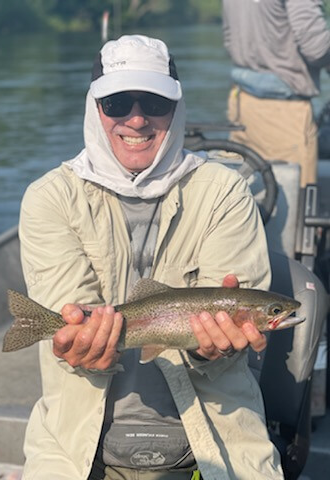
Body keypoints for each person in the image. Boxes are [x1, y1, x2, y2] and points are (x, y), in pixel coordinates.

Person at [19, 35, 283, 480]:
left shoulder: (225, 191)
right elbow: (70, 319)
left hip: (216, 440)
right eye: (118, 103)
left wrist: (210, 350)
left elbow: (229, 342)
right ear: (95, 107)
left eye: (155, 102)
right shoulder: (50, 198)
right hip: (75, 444)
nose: (137, 119)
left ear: (176, 108)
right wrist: (78, 347)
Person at [222, 0, 330, 187]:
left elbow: (230, 39)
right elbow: (317, 48)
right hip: (284, 112)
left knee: (245, 194)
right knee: (295, 199)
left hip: (241, 101)